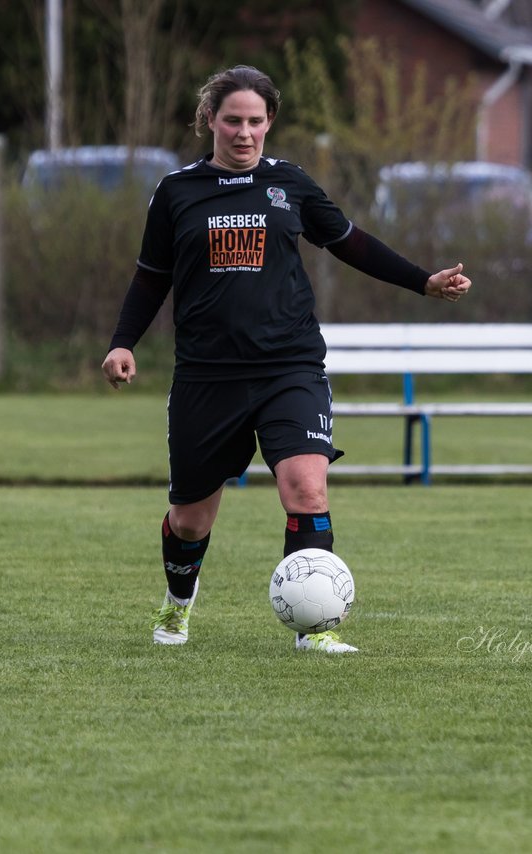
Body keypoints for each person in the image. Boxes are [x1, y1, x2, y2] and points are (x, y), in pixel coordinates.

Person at [101, 65, 471, 653]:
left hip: (289, 367)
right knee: (192, 520)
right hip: (207, 375)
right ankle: (176, 608)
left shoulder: (291, 184)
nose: (244, 133)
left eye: (255, 121)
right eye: (232, 121)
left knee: (306, 489)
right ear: (210, 122)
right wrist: (123, 342)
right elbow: (151, 279)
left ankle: (314, 629)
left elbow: (352, 242)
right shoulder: (176, 192)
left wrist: (422, 281)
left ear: (269, 122)